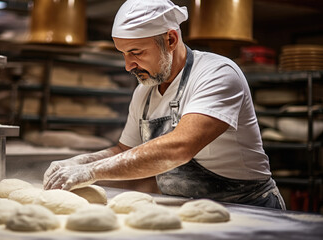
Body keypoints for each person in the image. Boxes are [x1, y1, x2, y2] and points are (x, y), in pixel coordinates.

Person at [43, 0, 286, 210]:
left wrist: (92, 172)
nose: (128, 66)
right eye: (123, 54)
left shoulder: (217, 74)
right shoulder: (144, 92)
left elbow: (180, 147)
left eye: (136, 52)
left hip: (248, 208)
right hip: (186, 210)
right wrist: (78, 163)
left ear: (170, 39)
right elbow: (123, 151)